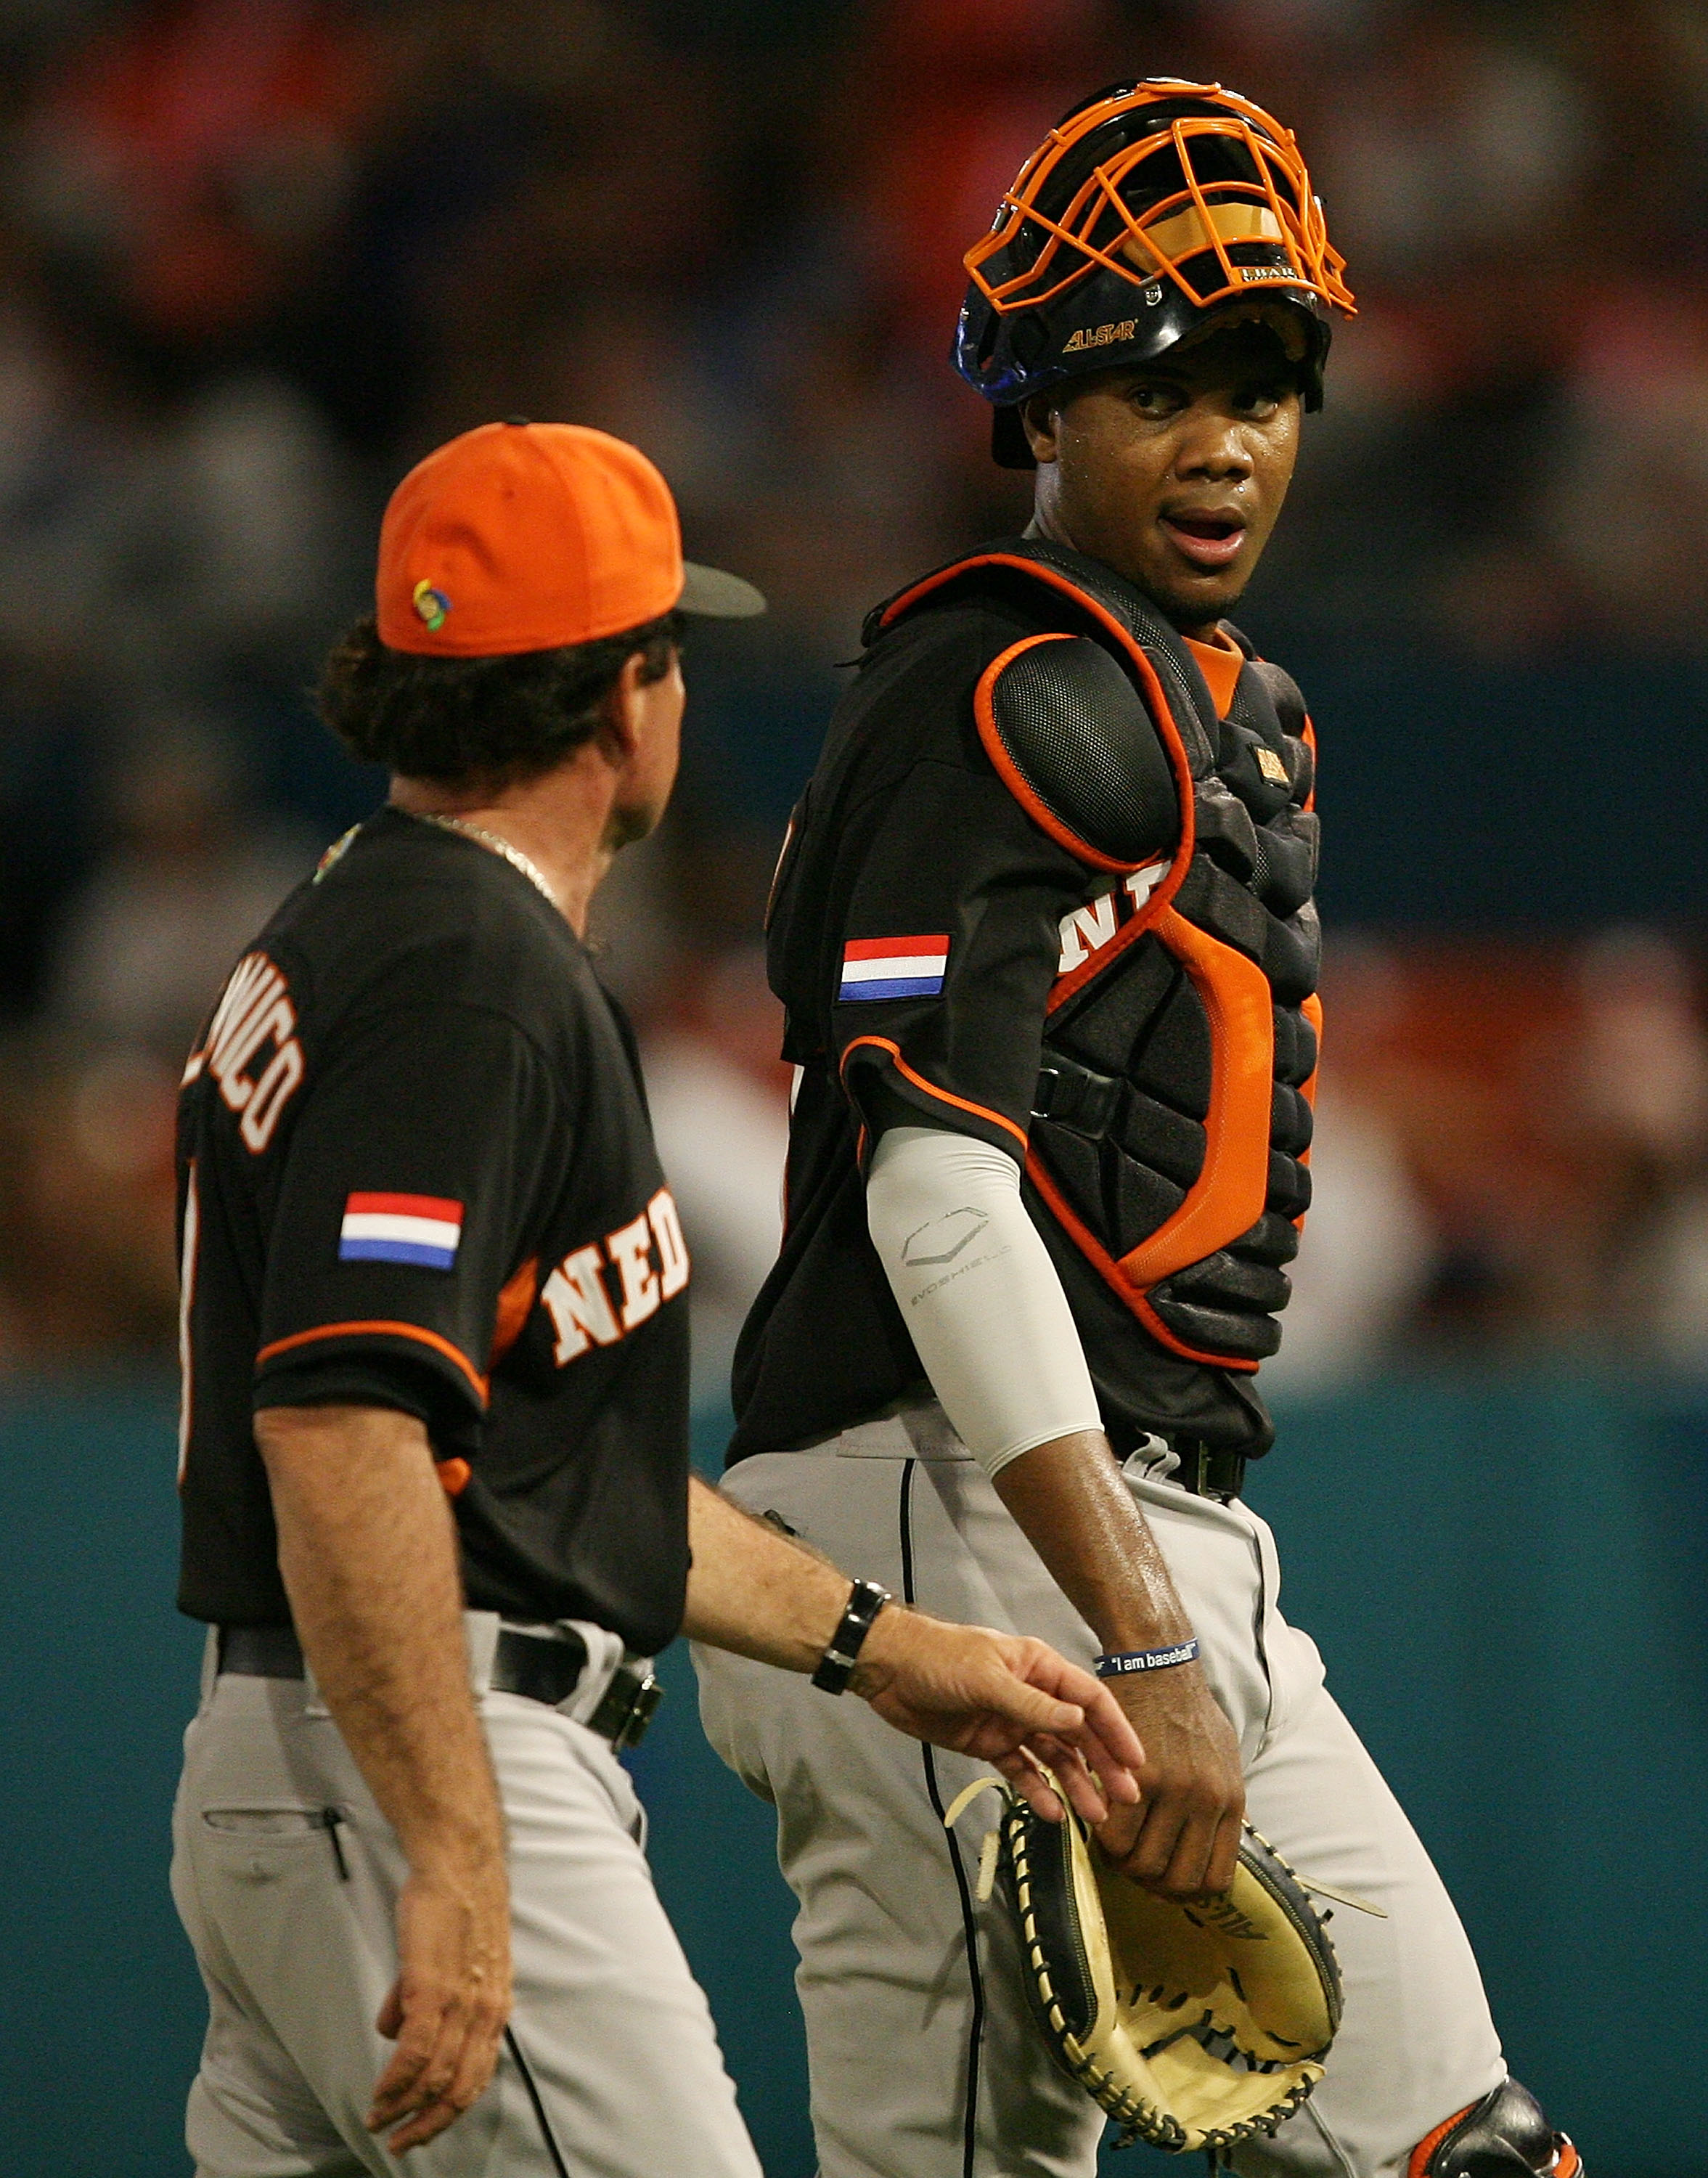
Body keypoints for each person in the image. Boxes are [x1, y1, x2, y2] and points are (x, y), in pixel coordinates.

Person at [692, 82, 1582, 2178]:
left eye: (1269, 383)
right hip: (959, 1533)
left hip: (1127, 1532)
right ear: (1037, 412)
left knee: (1468, 2143)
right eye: (1161, 383)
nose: (1225, 439)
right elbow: (935, 1194)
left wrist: (1173, 1614)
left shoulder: (1202, 699)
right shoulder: (994, 687)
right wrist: (1144, 1634)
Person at [169, 418, 1146, 2178]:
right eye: (667, 651)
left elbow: (548, 1483)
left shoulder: (369, 925)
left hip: (317, 1768)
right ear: (626, 701)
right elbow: (340, 1428)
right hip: (426, 1761)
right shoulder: (465, 974)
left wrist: (886, 1646)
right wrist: (458, 1854)